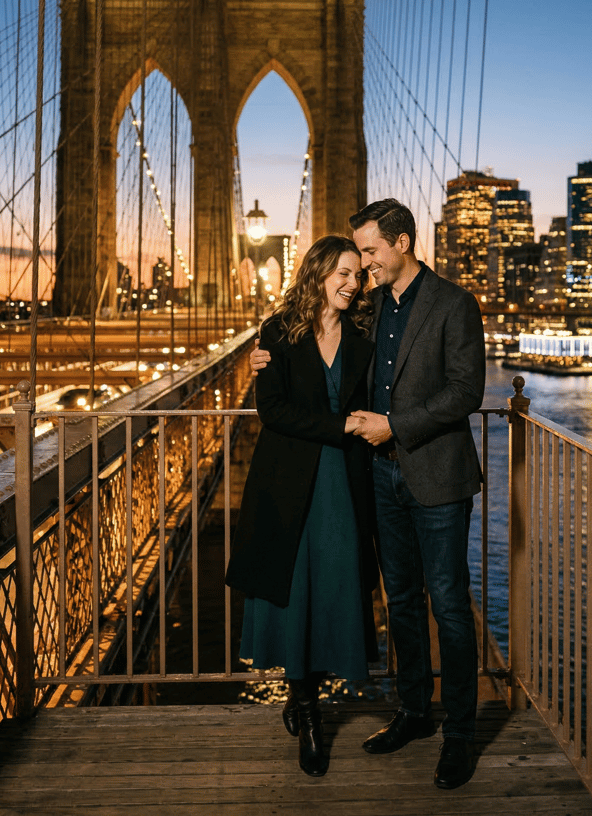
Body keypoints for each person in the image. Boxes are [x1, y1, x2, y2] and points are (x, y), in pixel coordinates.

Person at [251, 199, 485, 790]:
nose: (363, 271)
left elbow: (464, 393)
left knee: (450, 606)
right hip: (379, 477)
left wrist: (392, 428)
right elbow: (306, 336)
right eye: (354, 264)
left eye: (371, 255)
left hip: (434, 474)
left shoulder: (455, 304)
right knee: (401, 600)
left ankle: (459, 733)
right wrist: (267, 353)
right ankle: (413, 712)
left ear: (402, 243)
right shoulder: (369, 307)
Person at [226, 234, 378, 778]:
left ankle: (306, 697)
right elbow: (273, 411)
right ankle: (308, 711)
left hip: (345, 482)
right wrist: (341, 424)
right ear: (315, 272)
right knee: (292, 590)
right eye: (342, 272)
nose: (352, 283)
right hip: (288, 481)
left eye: (358, 274)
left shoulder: (364, 330)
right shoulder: (277, 332)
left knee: (334, 584)